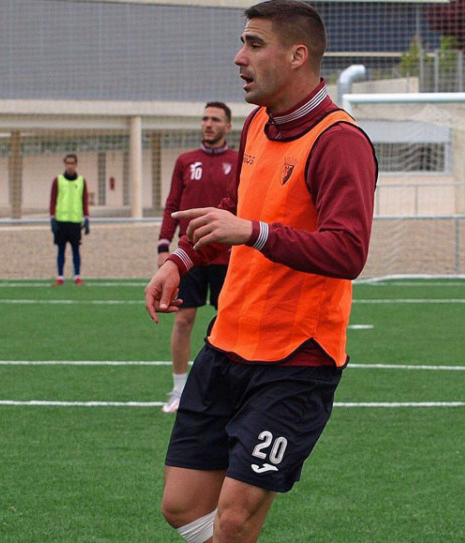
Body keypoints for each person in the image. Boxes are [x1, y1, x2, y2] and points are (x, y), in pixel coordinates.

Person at [144, 1, 378, 541]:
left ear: (297, 56)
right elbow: (231, 206)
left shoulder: (340, 141)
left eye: (253, 44)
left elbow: (348, 252)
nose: (238, 57)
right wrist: (180, 259)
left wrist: (254, 232)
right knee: (180, 507)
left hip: (296, 361)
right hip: (227, 345)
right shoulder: (256, 125)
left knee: (234, 518)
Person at [157, 102, 238, 414]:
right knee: (183, 320)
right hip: (189, 255)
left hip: (227, 257)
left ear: (227, 126)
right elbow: (172, 204)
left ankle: (229, 390)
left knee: (230, 323)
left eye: (215, 119)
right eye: (205, 118)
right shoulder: (185, 161)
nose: (208, 123)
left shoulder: (238, 161)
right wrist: (164, 246)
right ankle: (178, 391)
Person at [49, 153, 90, 285]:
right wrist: (52, 219)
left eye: (72, 163)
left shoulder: (81, 181)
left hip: (75, 221)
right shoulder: (58, 180)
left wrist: (87, 218)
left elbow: (84, 200)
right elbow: (53, 200)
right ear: (64, 164)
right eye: (68, 163)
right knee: (61, 250)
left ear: (76, 165)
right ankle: (60, 277)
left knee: (76, 250)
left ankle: (77, 276)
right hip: (61, 221)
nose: (70, 166)